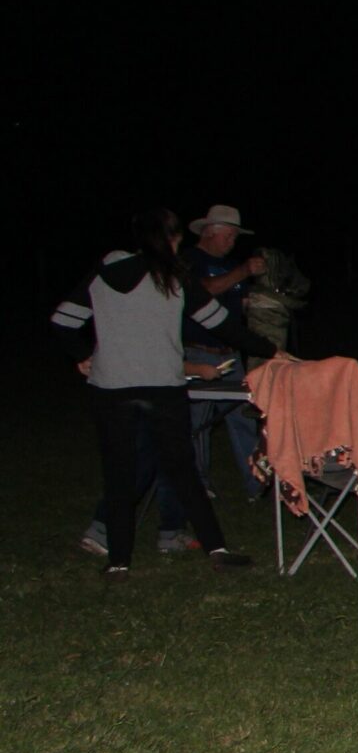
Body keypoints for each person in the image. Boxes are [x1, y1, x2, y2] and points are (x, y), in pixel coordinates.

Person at [54, 208, 256, 577]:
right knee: (182, 471)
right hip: (163, 386)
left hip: (111, 387)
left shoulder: (104, 272)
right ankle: (217, 549)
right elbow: (223, 326)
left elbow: (63, 320)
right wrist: (271, 350)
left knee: (119, 474)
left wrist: (83, 356)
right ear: (175, 238)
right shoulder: (174, 277)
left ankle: (119, 562)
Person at [186, 203, 271, 498]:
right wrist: (243, 270)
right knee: (198, 422)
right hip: (197, 352)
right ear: (210, 232)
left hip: (230, 353)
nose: (233, 242)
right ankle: (198, 484)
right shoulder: (189, 260)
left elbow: (243, 305)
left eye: (236, 236)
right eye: (229, 236)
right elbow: (203, 291)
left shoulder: (230, 263)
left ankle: (256, 483)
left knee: (245, 416)